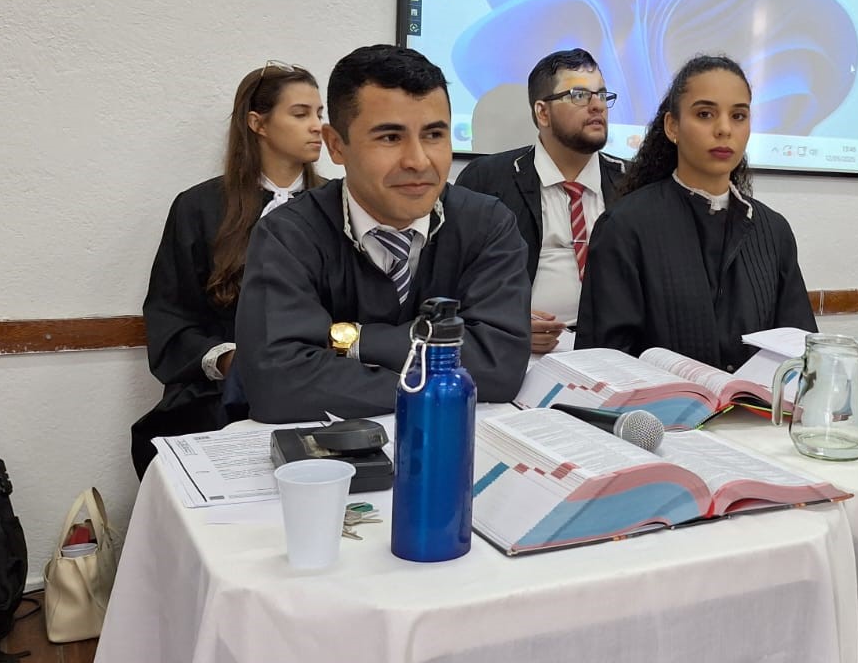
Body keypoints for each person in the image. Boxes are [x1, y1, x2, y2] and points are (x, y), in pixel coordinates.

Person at [235, 44, 530, 422]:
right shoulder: (288, 234)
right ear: (336, 145)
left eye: (434, 134)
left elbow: (498, 365)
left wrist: (351, 340)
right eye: (390, 137)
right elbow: (279, 384)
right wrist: (441, 382)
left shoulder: (487, 224)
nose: (418, 161)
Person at [132, 61, 325, 473]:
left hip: (324, 395)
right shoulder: (200, 208)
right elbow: (171, 316)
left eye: (320, 114)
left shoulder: (336, 206)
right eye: (300, 114)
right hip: (222, 403)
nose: (317, 127)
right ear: (258, 123)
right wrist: (229, 360)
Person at [575, 54, 816, 370]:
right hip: (661, 402)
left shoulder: (773, 230)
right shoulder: (624, 227)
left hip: (758, 403)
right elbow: (602, 363)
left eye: (738, 116)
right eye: (705, 114)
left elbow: (799, 350)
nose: (724, 129)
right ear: (672, 126)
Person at [454, 48, 627, 354]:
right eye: (579, 95)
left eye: (601, 94)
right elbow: (456, 282)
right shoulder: (488, 180)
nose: (597, 105)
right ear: (542, 112)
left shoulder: (633, 182)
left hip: (614, 349)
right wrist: (508, 324)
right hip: (523, 352)